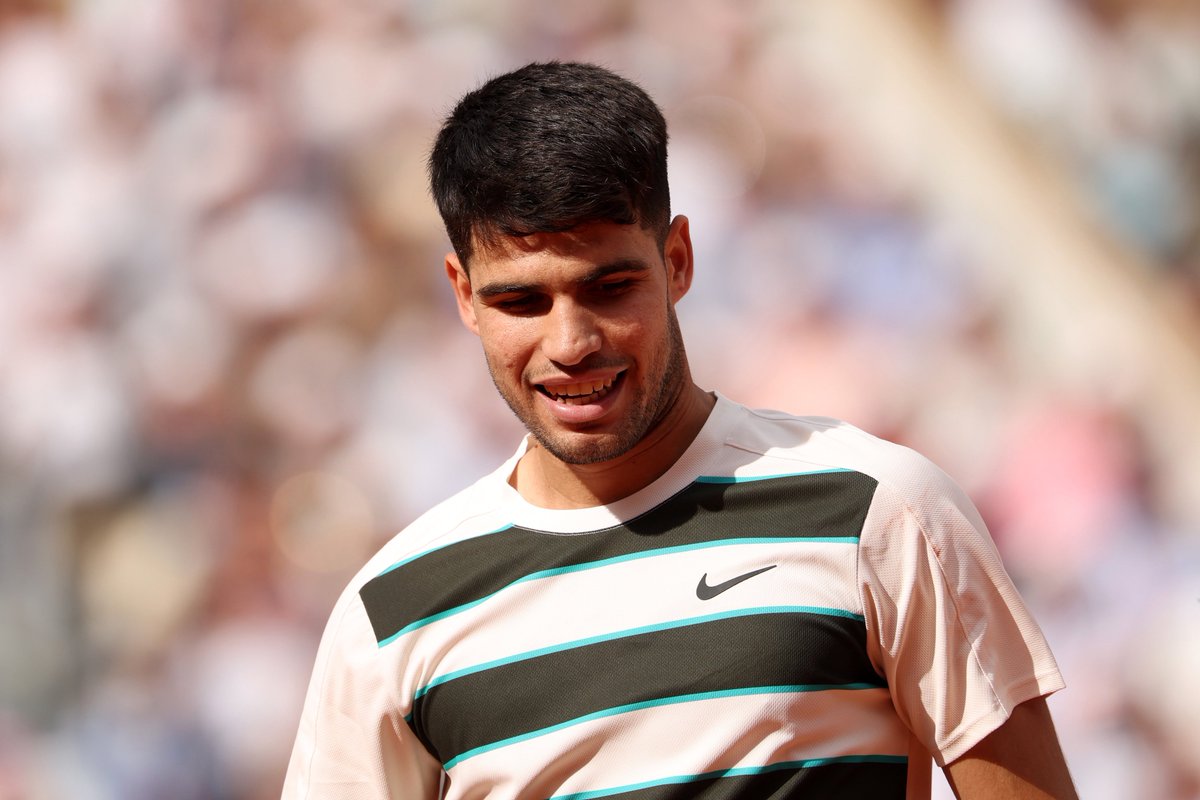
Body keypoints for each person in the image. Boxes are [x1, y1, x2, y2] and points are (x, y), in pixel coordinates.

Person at [282, 61, 1077, 799]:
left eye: (609, 286)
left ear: (680, 259)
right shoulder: (392, 614)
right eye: (521, 301)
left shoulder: (880, 514)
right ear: (463, 295)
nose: (570, 343)